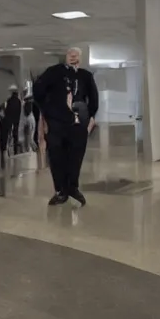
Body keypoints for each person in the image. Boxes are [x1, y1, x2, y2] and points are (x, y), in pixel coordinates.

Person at [32, 47, 99, 206]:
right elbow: (38, 90)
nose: (73, 57)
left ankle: (72, 187)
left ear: (80, 59)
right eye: (70, 55)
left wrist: (88, 118)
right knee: (56, 157)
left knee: (75, 157)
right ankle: (60, 190)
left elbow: (94, 100)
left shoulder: (86, 76)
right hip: (57, 124)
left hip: (77, 125)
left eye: (76, 55)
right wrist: (46, 111)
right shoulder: (54, 72)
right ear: (66, 57)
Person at [0, 84, 22, 155]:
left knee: (8, 136)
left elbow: (6, 111)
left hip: (9, 121)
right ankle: (16, 151)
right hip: (16, 121)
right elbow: (19, 112)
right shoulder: (18, 101)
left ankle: (6, 150)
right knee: (15, 136)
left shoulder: (9, 101)